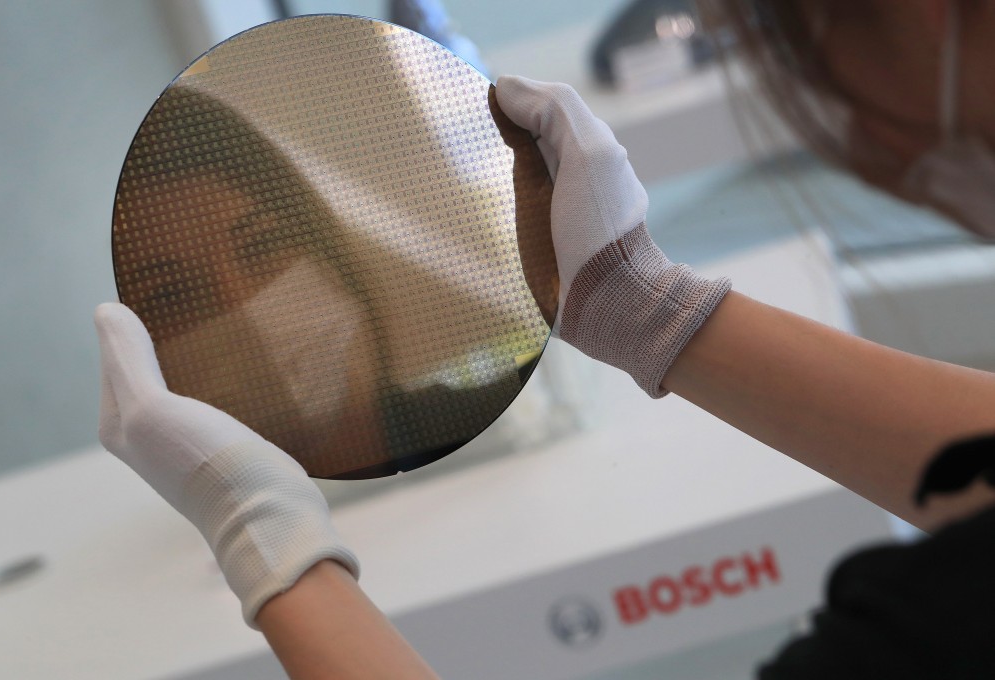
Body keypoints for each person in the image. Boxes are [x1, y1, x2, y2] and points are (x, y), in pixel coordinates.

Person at [94, 0, 995, 677]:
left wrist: (267, 543)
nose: (855, 134)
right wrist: (640, 306)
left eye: (787, 44)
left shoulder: (934, 624)